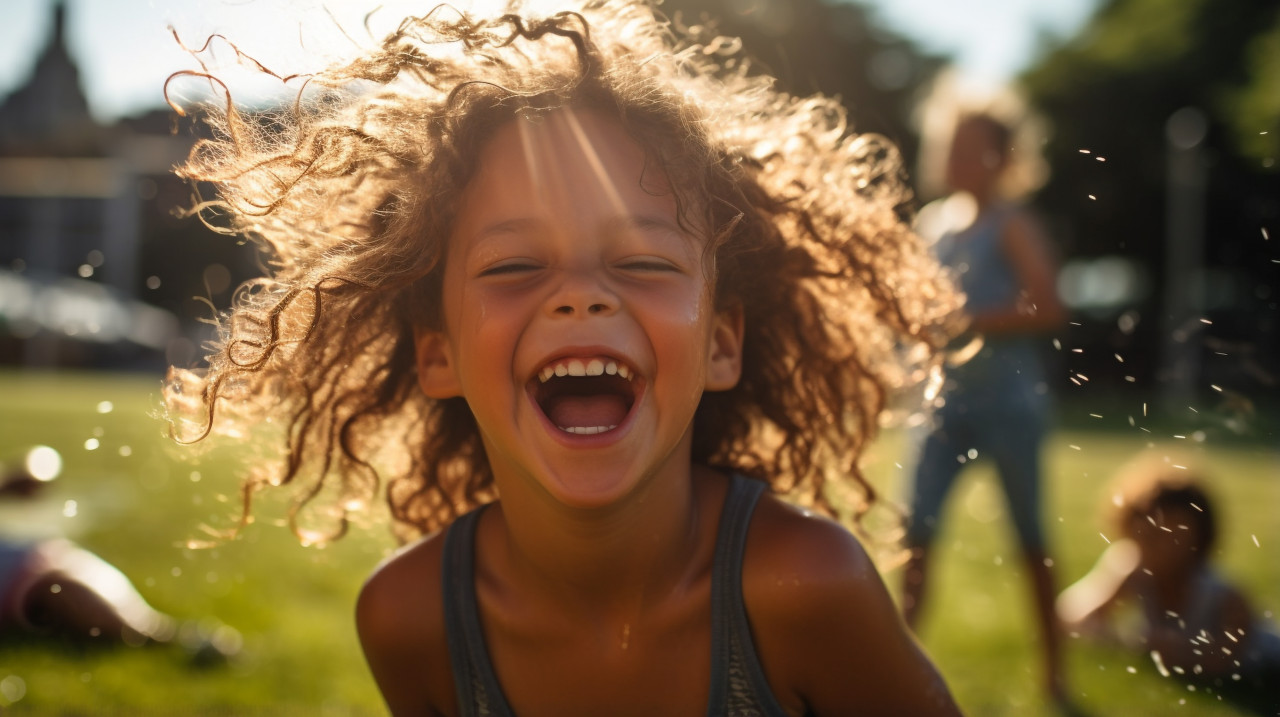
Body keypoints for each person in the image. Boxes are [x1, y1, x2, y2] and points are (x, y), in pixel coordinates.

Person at [163, 1, 966, 714]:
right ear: (437, 356)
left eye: (644, 264)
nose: (581, 296)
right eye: (514, 268)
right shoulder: (411, 621)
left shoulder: (806, 588)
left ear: (721, 344)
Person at [899, 109, 1069, 702]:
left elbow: (1047, 307)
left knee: (1030, 539)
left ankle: (1055, 675)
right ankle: (894, 672)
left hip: (1011, 407)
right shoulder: (934, 225)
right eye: (953, 146)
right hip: (944, 405)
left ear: (1005, 159)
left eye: (974, 148)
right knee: (915, 534)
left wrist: (964, 320)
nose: (959, 159)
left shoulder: (1012, 225)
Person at [1057, 454, 1280, 714]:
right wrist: (1125, 637)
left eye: (1174, 536)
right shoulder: (1132, 570)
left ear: (1199, 539)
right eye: (1149, 535)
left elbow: (1221, 662)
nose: (1161, 547)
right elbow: (1069, 614)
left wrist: (1177, 652)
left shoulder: (1223, 595)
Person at [0, 447, 240, 664]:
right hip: (26, 576)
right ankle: (174, 639)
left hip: (36, 557)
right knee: (65, 591)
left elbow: (34, 465)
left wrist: (16, 478)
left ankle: (173, 635)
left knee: (111, 609)